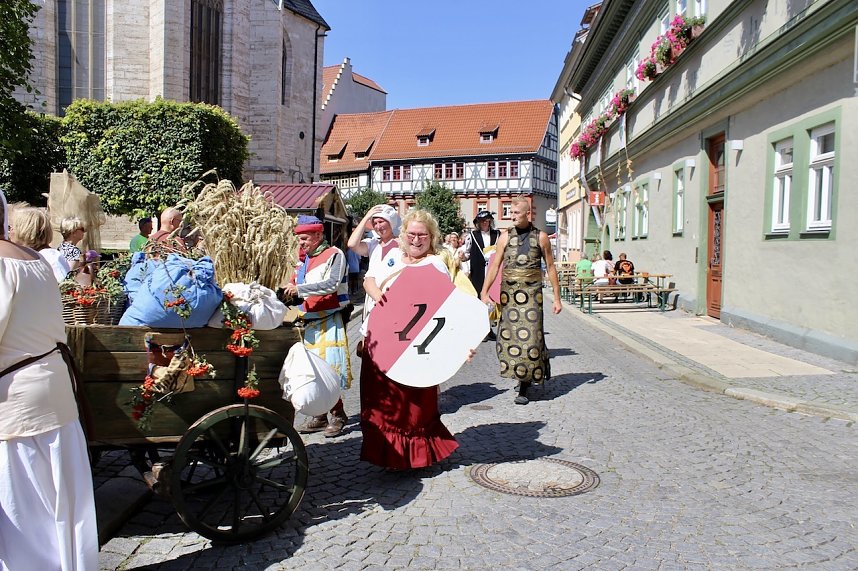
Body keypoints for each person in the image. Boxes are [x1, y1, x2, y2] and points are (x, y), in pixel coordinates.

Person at [0, 190, 99, 570]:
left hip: (17, 409)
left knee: (25, 517)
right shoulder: (37, 262)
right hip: (51, 391)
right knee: (58, 504)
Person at [360, 209, 460, 470]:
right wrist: (379, 294)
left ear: (431, 238)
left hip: (411, 347)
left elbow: (443, 306)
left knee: (410, 404)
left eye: (422, 236)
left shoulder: (435, 264)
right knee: (381, 401)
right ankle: (385, 454)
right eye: (412, 234)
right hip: (378, 339)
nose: (416, 240)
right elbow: (369, 279)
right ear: (403, 234)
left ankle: (410, 457)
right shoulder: (392, 255)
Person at [481, 197, 562, 405]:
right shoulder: (505, 237)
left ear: (528, 214)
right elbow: (494, 266)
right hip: (509, 295)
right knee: (510, 338)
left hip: (532, 295)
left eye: (516, 213)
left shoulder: (541, 237)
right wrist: (484, 292)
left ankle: (525, 384)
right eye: (511, 213)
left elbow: (551, 267)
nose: (512, 216)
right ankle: (520, 375)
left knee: (532, 338)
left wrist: (557, 298)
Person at [283, 215, 352, 438]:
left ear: (318, 235)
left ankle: (338, 414)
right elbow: (297, 286)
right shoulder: (303, 260)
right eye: (299, 239)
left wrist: (299, 290)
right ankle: (321, 415)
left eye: (304, 238)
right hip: (308, 320)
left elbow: (331, 284)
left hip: (329, 319)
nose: (301, 243)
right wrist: (288, 288)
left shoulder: (335, 255)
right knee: (312, 371)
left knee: (328, 369)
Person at [346, 204, 402, 331]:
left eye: (381, 221)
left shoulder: (401, 244)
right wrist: (366, 218)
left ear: (390, 222)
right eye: (375, 223)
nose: (378, 226)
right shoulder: (372, 244)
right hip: (371, 296)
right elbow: (352, 244)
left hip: (390, 297)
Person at [11, 207, 70, 282]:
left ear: (26, 230)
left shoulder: (50, 257)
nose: (10, 231)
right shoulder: (27, 256)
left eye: (12, 227)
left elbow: (65, 289)